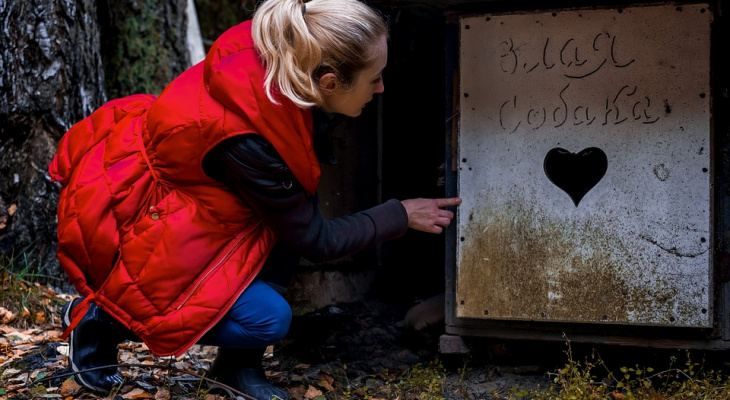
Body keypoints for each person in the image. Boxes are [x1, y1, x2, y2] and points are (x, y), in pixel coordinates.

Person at [49, 0, 461, 399]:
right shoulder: (251, 142)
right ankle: (104, 317)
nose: (382, 87)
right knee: (269, 319)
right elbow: (316, 240)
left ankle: (236, 367)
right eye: (375, 78)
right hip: (146, 227)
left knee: (284, 225)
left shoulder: (286, 55)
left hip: (192, 215)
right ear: (330, 82)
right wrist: (400, 215)